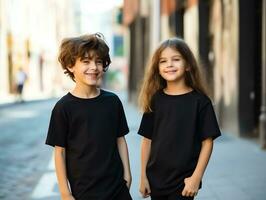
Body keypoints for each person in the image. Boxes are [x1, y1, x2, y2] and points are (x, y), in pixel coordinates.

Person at [45, 33, 132, 200]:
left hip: (116, 188)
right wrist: (65, 192)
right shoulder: (63, 108)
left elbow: (120, 139)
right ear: (71, 65)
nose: (94, 67)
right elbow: (60, 152)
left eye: (98, 61)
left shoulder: (112, 102)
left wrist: (127, 175)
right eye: (86, 61)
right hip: (84, 191)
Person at [138, 37, 221, 200]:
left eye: (176, 59)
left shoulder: (200, 102)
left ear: (188, 65)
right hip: (156, 179)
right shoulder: (155, 99)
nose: (169, 64)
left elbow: (207, 142)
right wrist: (143, 177)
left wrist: (196, 178)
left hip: (184, 182)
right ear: (157, 68)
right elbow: (146, 141)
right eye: (163, 61)